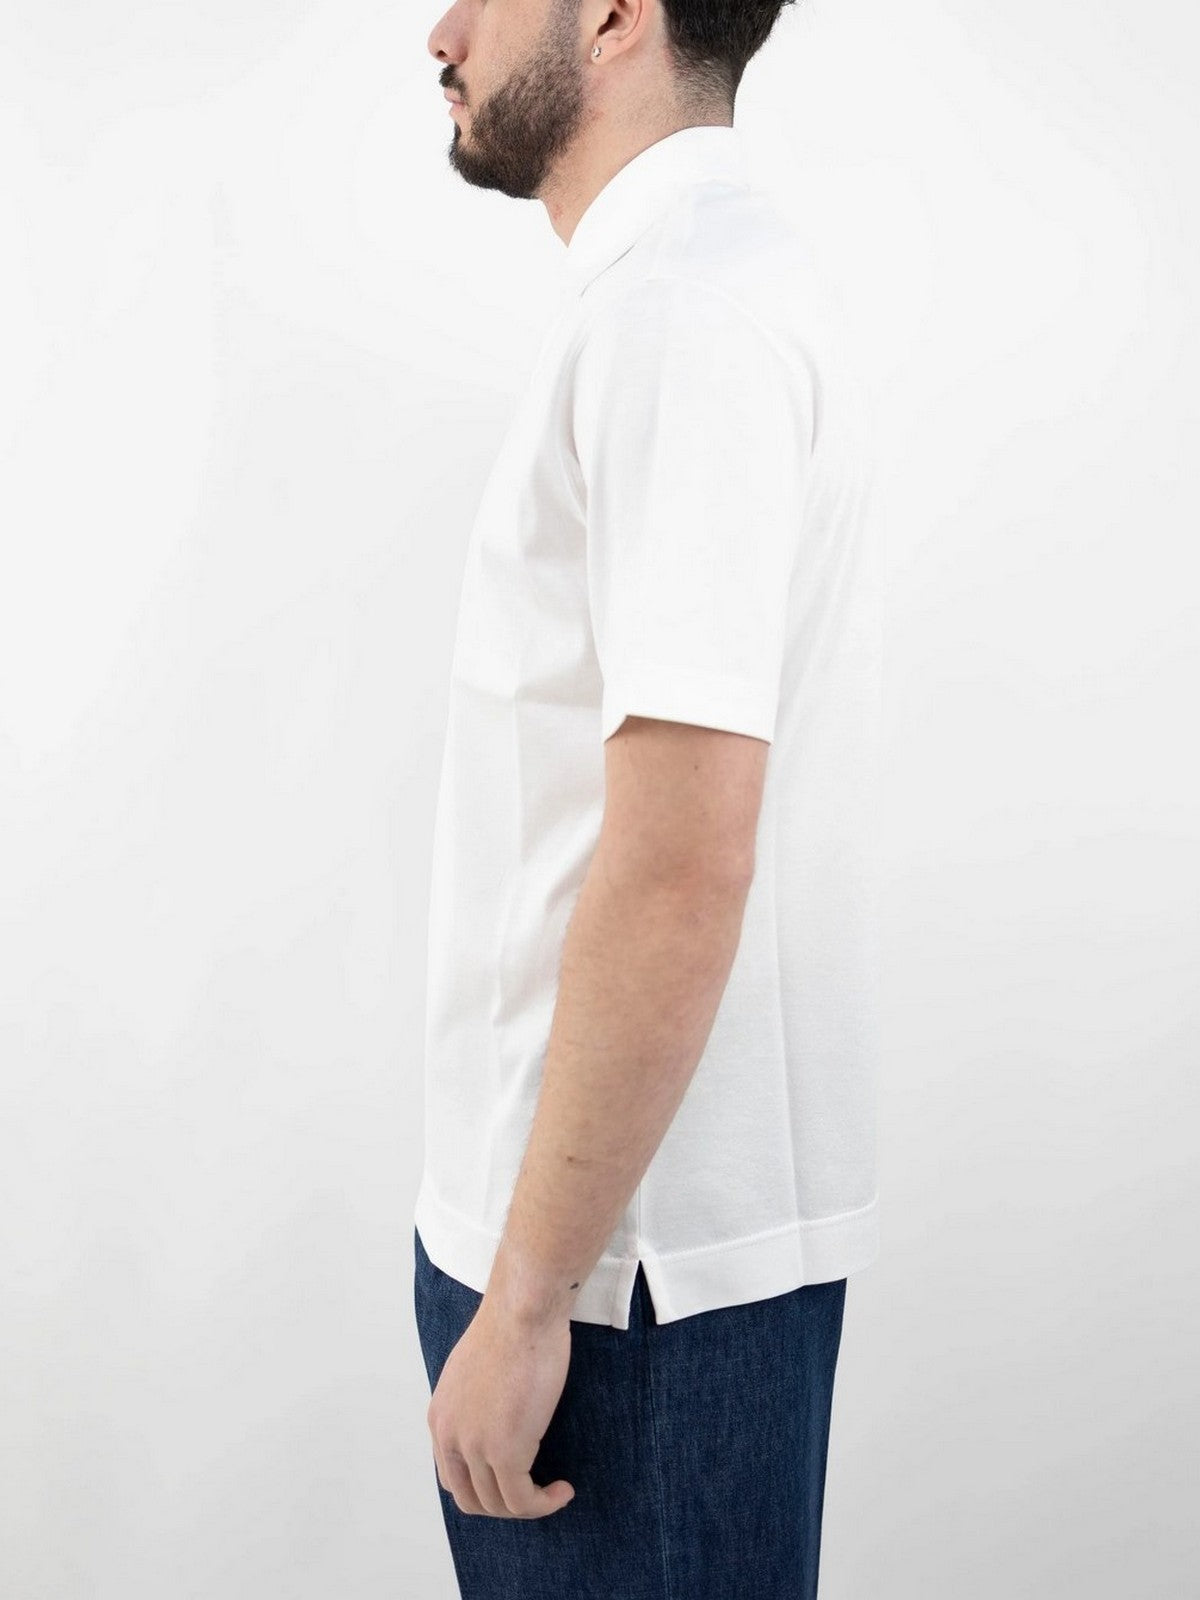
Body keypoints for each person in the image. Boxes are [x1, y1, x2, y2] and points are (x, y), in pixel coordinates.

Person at [415, 2, 882, 1594]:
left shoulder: (683, 314)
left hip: (621, 1288)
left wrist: (529, 1296)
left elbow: (684, 861)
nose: (440, 32)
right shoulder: (687, 291)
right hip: (611, 1257)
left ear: (616, 12)